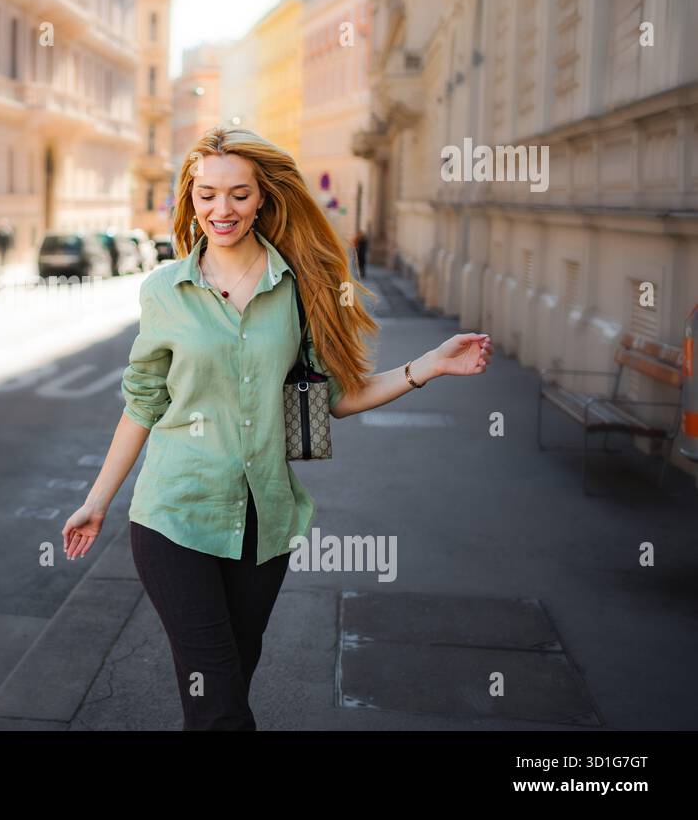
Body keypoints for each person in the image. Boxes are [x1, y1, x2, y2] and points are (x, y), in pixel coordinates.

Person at [61, 126, 492, 731]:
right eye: (207, 194)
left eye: (238, 194)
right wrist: (96, 501)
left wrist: (432, 366)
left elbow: (337, 397)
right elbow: (141, 404)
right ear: (191, 196)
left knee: (230, 682)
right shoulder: (164, 290)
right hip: (172, 515)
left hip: (263, 522)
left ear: (263, 197)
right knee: (220, 710)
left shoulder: (298, 288)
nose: (222, 209)